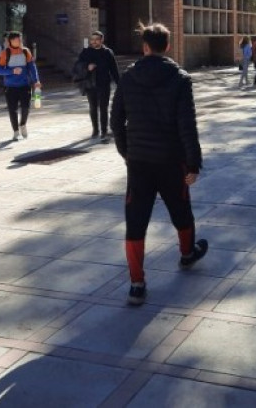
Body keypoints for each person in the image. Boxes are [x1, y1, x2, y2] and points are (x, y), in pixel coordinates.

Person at [110, 22, 207, 306]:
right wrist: (192, 164)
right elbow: (187, 125)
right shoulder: (180, 78)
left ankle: (137, 284)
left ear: (145, 47)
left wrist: (127, 151)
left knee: (135, 219)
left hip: (139, 161)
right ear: (168, 46)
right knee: (181, 208)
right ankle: (187, 253)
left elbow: (116, 121)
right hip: (171, 159)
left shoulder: (128, 78)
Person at [75, 31, 121, 142]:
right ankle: (95, 130)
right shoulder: (86, 52)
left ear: (102, 40)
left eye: (97, 39)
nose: (94, 41)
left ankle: (104, 131)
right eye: (92, 39)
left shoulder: (108, 52)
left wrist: (120, 84)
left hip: (104, 84)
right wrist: (87, 67)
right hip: (90, 84)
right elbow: (77, 66)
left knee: (103, 108)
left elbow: (114, 69)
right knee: (93, 107)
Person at [0, 31, 40, 140]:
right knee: (12, 109)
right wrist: (12, 71)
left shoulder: (26, 52)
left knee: (26, 107)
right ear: (11, 41)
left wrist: (36, 80)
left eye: (21, 39)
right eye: (17, 39)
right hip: (10, 87)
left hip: (24, 85)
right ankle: (15, 131)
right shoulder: (5, 53)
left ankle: (23, 124)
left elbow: (32, 67)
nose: (20, 41)